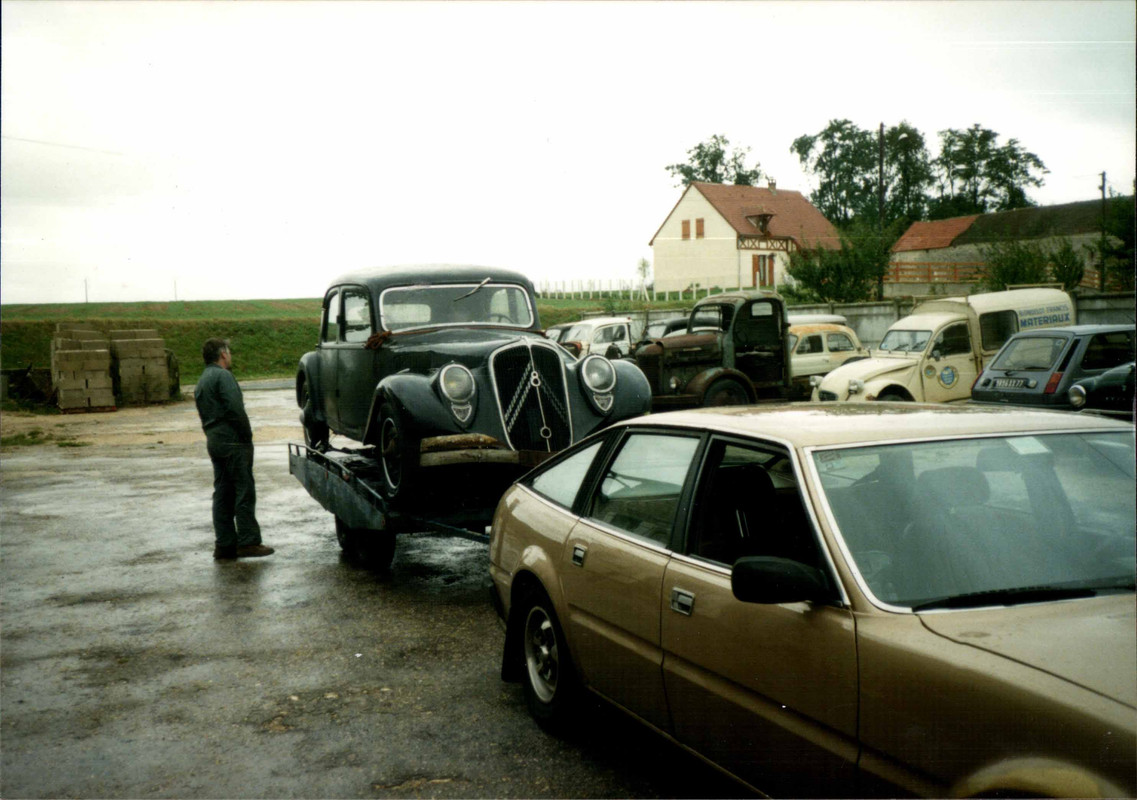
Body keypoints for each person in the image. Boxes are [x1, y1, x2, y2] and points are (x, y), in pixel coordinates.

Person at [194, 338, 274, 560]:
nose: (230, 356)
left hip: (214, 440)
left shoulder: (201, 381)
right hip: (232, 441)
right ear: (223, 354)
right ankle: (248, 541)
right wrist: (246, 436)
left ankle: (224, 545)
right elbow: (235, 409)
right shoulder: (223, 376)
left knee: (222, 492)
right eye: (228, 352)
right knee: (243, 489)